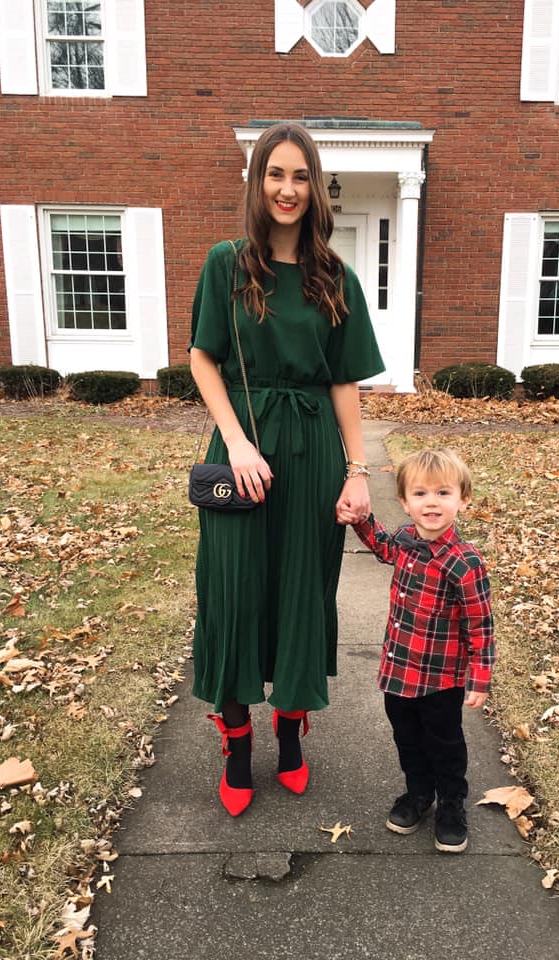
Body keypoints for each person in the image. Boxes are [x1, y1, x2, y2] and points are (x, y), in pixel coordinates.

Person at [188, 122, 384, 817]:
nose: (288, 189)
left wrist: (358, 469)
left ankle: (292, 731)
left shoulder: (335, 275)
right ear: (257, 180)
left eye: (301, 176)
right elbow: (202, 358)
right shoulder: (226, 265)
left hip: (311, 450)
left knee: (304, 590)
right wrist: (237, 442)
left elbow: (343, 381)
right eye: (276, 174)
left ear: (315, 186)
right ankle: (237, 742)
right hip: (241, 447)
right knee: (234, 593)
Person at [339, 448, 494, 853]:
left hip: (441, 679)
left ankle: (451, 803)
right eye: (421, 494)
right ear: (406, 502)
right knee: (407, 738)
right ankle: (418, 793)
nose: (432, 503)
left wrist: (479, 676)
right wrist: (360, 520)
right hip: (398, 671)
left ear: (463, 499)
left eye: (443, 493)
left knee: (445, 742)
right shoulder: (406, 542)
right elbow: (383, 546)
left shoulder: (465, 563)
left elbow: (480, 624)